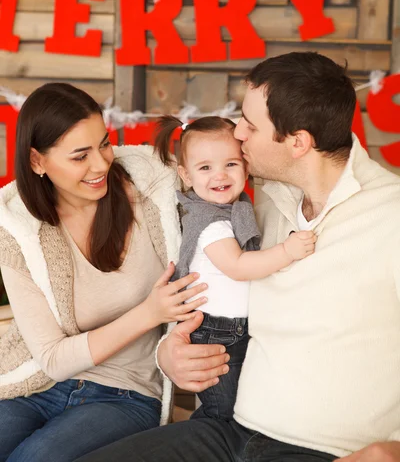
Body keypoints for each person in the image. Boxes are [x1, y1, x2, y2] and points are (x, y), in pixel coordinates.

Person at [76, 51, 400, 462]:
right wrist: (168, 354)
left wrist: (391, 452)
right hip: (227, 430)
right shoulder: (256, 197)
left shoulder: (391, 218)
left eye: (250, 124)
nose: (238, 133)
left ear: (298, 142)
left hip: (322, 452)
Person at [0, 83, 207, 462]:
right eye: (80, 156)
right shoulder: (17, 231)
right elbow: (52, 358)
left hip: (125, 393)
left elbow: (222, 178)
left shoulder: (152, 191)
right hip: (43, 384)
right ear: (37, 161)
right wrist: (148, 313)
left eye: (105, 144)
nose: (101, 164)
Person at [153, 114, 316, 420]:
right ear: (186, 176)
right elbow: (239, 266)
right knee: (225, 412)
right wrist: (287, 251)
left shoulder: (234, 210)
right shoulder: (209, 223)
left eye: (230, 164)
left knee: (246, 406)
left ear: (245, 165)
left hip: (235, 329)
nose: (220, 176)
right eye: (205, 168)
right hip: (216, 332)